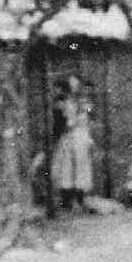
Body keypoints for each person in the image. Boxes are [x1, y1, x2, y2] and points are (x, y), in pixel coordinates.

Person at [50, 77, 96, 214]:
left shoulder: (83, 103)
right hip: (68, 135)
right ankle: (67, 200)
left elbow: (87, 117)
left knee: (81, 166)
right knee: (66, 166)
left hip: (80, 135)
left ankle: (80, 199)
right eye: (72, 87)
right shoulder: (64, 102)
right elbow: (63, 120)